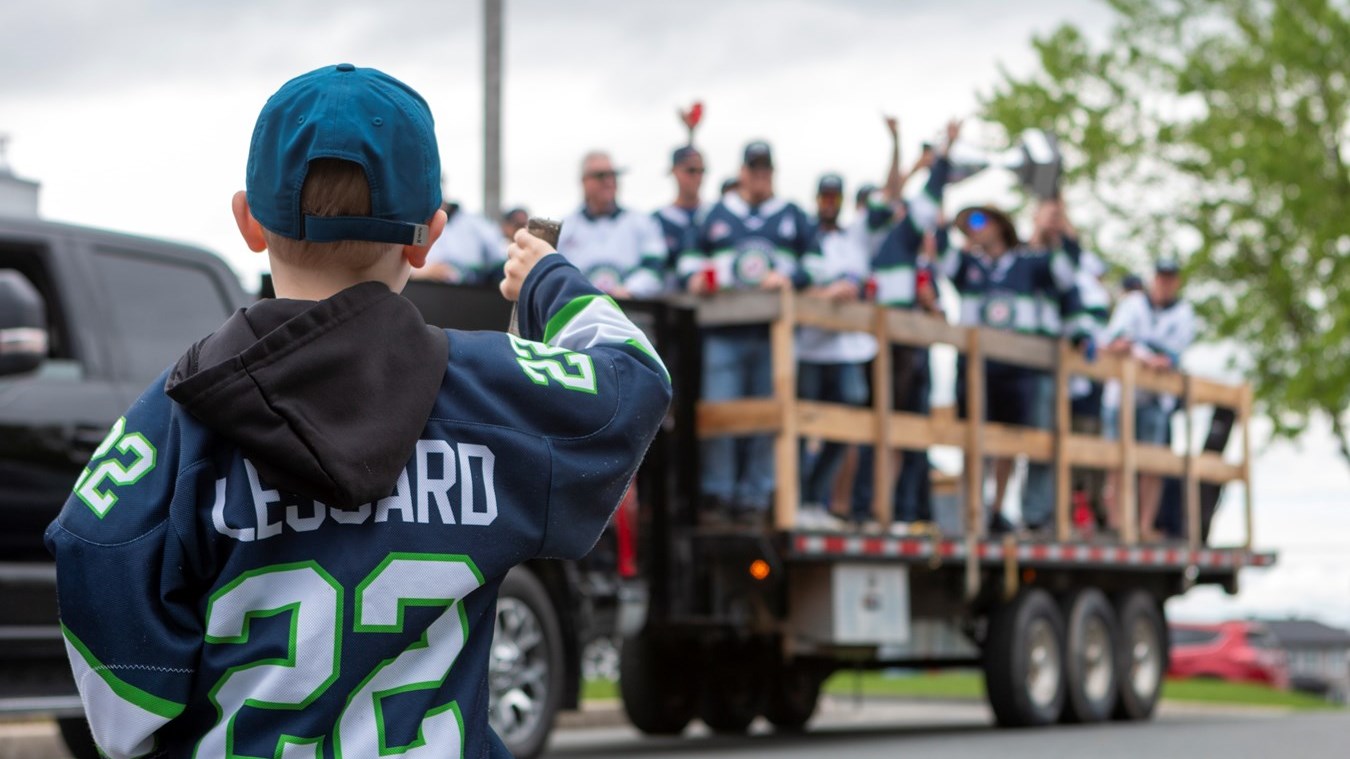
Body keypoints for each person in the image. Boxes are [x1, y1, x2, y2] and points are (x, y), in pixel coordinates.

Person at [44, 64, 671, 759]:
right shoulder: (487, 390)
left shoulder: (180, 414)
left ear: (248, 220)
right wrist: (549, 279)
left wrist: (143, 726)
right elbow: (633, 377)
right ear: (427, 237)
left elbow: (90, 546)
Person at [679, 140, 821, 523]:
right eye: (753, 169)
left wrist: (788, 276)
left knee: (768, 415)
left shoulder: (792, 215)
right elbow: (687, 262)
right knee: (721, 412)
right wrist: (699, 278)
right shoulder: (716, 215)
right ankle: (719, 494)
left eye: (765, 170)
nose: (759, 176)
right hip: (724, 329)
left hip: (772, 330)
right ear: (741, 172)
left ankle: (756, 497)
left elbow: (818, 263)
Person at [938, 203, 1089, 534]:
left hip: (1016, 365)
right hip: (976, 364)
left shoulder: (1028, 264)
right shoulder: (967, 265)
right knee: (973, 436)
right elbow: (940, 255)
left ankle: (994, 508)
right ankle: (972, 507)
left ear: (999, 225)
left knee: (1009, 437)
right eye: (967, 225)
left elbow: (1067, 270)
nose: (973, 228)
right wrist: (945, 222)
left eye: (978, 220)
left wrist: (1060, 224)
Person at [849, 117, 954, 530]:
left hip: (902, 343)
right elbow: (900, 195)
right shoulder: (868, 235)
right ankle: (872, 507)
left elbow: (918, 201)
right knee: (877, 429)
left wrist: (935, 162)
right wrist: (924, 158)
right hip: (876, 341)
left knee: (904, 431)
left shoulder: (898, 239)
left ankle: (898, 508)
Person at [797, 173, 875, 529]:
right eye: (825, 195)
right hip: (808, 348)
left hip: (847, 348)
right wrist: (826, 294)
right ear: (816, 198)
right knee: (800, 424)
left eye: (835, 196)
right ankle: (799, 498)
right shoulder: (803, 234)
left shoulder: (852, 240)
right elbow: (795, 285)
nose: (829, 201)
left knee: (849, 421)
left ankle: (814, 495)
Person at [1102, 258, 1195, 541]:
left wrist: (1151, 357)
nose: (1164, 283)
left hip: (1157, 399)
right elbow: (1116, 342)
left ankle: (1143, 525)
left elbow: (1172, 355)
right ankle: (1118, 523)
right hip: (1121, 396)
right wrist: (1143, 355)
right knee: (1116, 461)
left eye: (1170, 278)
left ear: (1176, 281)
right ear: (1153, 278)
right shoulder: (1132, 304)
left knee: (1152, 465)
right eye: (1160, 277)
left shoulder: (1183, 312)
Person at [557, 151, 668, 298]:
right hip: (581, 311)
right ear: (584, 181)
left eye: (613, 175)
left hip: (631, 310)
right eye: (600, 176)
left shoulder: (642, 222)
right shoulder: (565, 228)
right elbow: (556, 276)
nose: (608, 181)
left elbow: (655, 268)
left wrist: (629, 289)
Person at [415, 197, 507, 285]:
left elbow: (499, 259)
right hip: (425, 289)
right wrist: (421, 272)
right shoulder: (416, 223)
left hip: (469, 291)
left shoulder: (477, 223)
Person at [654, 145, 707, 288]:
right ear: (674, 171)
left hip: (709, 301)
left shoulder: (712, 215)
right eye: (690, 171)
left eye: (701, 171)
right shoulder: (657, 220)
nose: (697, 177)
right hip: (667, 301)